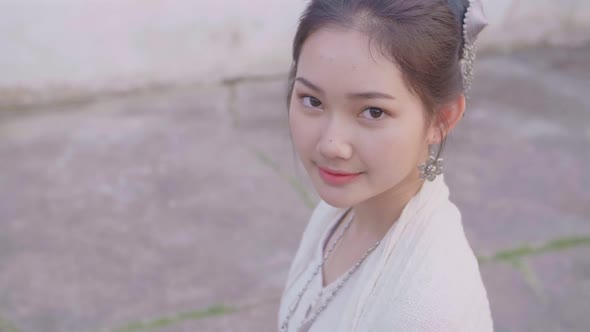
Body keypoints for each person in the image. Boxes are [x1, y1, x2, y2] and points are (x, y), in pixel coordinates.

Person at [277, 0, 492, 331]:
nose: (331, 145)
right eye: (313, 101)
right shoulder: (343, 210)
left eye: (373, 112)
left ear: (442, 118)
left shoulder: (429, 308)